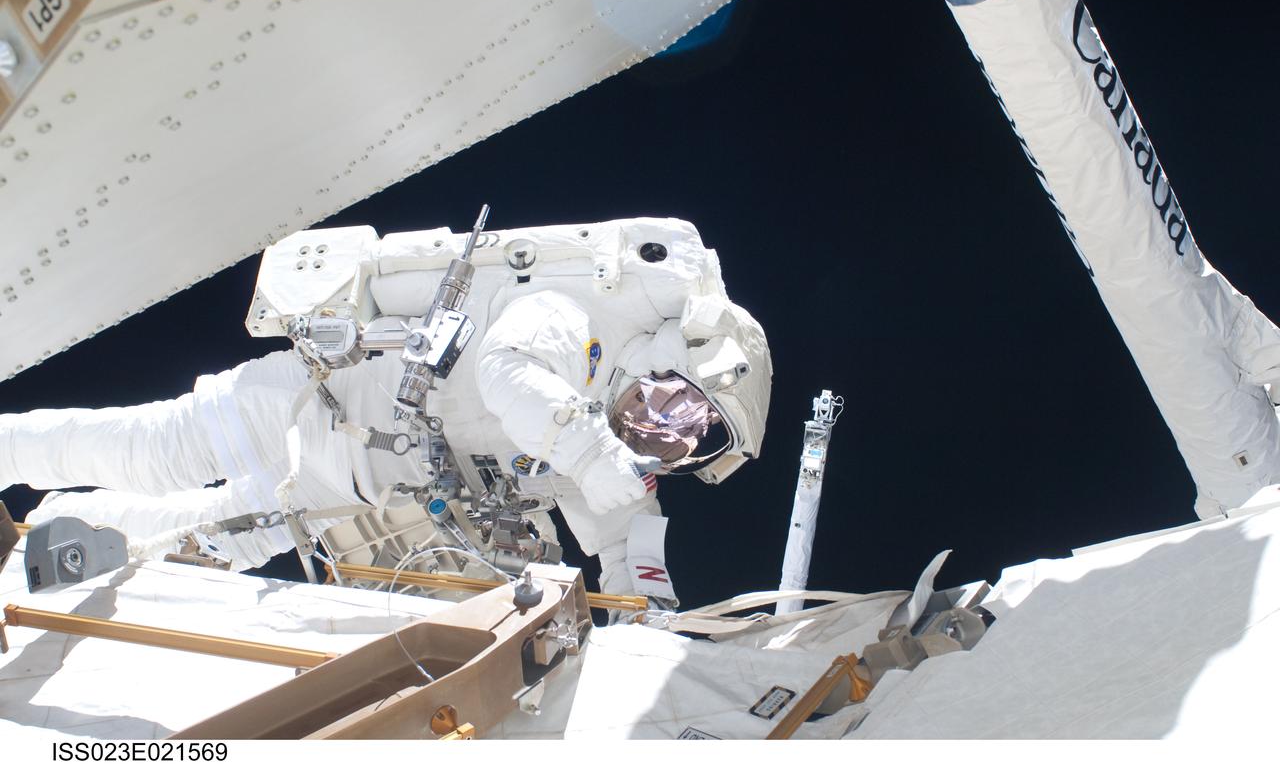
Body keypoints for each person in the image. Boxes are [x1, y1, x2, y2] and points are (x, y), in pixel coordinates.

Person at [0, 216, 771, 599]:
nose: (663, 433)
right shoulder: (577, 327)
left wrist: (655, 617)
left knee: (198, 544)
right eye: (678, 407)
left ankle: (30, 553)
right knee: (137, 452)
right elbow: (508, 370)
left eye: (689, 442)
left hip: (340, 485)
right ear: (669, 359)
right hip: (304, 407)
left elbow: (619, 534)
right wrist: (594, 457)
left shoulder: (591, 446)